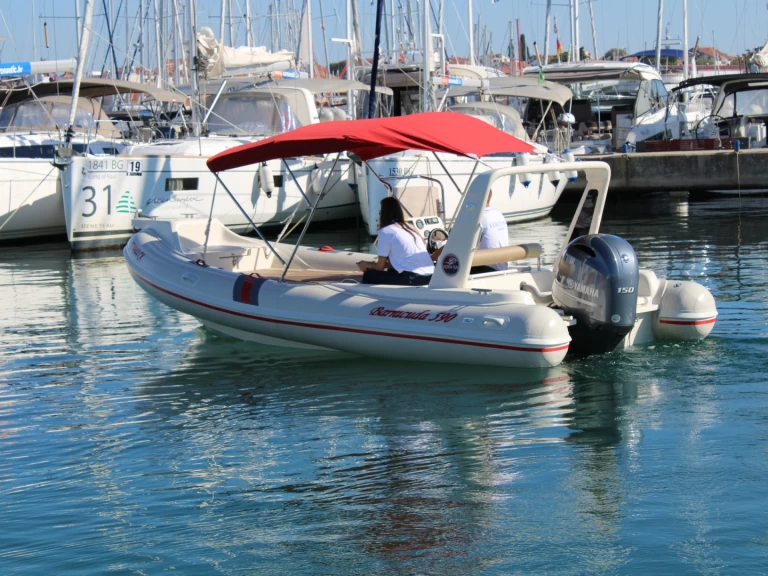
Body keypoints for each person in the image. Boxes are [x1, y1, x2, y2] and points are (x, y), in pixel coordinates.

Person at [357, 197, 435, 285]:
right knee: (391, 270)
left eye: (380, 212)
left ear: (383, 214)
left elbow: (379, 268)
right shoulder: (410, 227)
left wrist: (366, 265)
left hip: (412, 278)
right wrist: (370, 264)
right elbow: (398, 262)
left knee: (369, 275)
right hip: (431, 276)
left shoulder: (385, 231)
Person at [469, 190, 510, 274]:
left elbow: (456, 245)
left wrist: (433, 257)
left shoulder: (477, 219)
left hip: (486, 270)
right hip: (502, 267)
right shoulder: (498, 215)